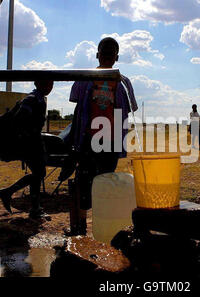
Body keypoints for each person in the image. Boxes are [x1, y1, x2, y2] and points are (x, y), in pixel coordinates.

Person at [66, 37, 138, 236]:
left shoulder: (124, 83)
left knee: (105, 182)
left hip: (111, 141)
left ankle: (103, 226)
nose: (107, 54)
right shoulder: (83, 78)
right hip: (88, 139)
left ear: (117, 57)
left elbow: (128, 112)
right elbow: (77, 110)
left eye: (111, 51)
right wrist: (73, 140)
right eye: (103, 50)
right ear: (97, 54)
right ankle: (79, 226)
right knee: (83, 181)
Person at [0, 80, 54, 220]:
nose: (49, 87)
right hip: (31, 143)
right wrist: (29, 136)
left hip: (32, 141)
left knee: (38, 174)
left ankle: (35, 208)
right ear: (37, 84)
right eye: (46, 84)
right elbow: (20, 119)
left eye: (51, 84)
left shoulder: (38, 99)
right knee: (39, 174)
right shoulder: (32, 99)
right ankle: (8, 192)